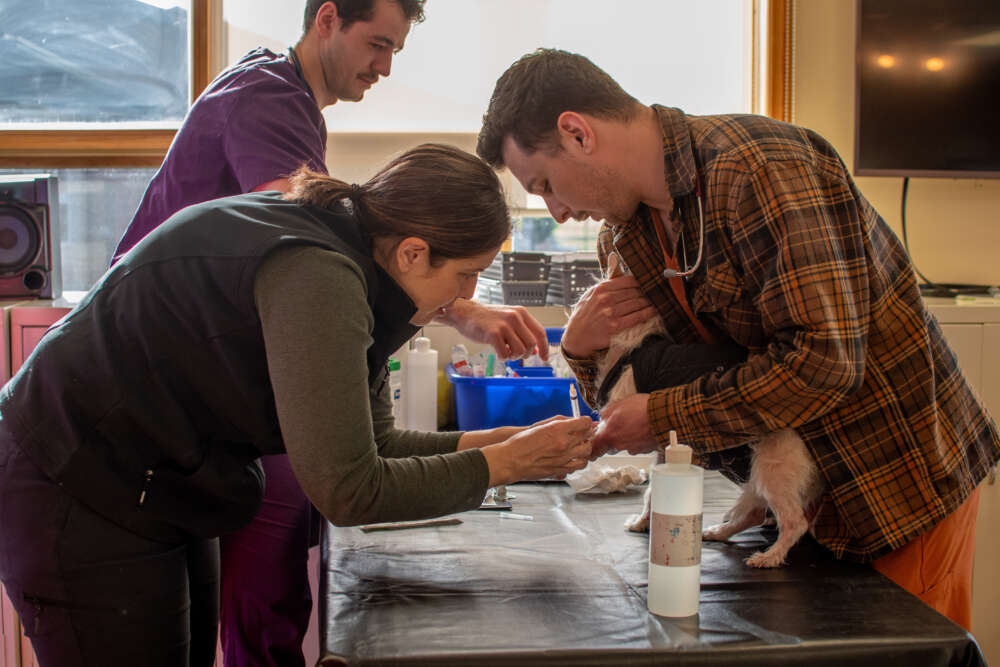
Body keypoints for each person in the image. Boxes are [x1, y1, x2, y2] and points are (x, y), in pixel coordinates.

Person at [0, 143, 595, 667]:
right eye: (468, 275)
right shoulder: (319, 277)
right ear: (413, 253)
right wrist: (507, 465)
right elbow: (347, 490)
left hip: (157, 479)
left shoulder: (353, 259)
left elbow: (377, 446)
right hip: (70, 475)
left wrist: (509, 444)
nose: (467, 297)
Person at [476, 48, 1000, 630]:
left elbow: (824, 363)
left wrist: (664, 411)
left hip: (887, 486)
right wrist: (578, 348)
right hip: (795, 494)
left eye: (546, 184)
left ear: (577, 133)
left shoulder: (760, 169)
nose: (556, 210)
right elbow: (625, 403)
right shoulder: (627, 238)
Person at [112, 2, 551, 663]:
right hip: (138, 386)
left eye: (397, 50)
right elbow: (291, 224)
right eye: (376, 43)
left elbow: (376, 444)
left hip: (193, 392)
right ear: (326, 19)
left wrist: (503, 440)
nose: (386, 65)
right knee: (284, 512)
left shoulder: (288, 106)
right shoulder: (266, 101)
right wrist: (461, 313)